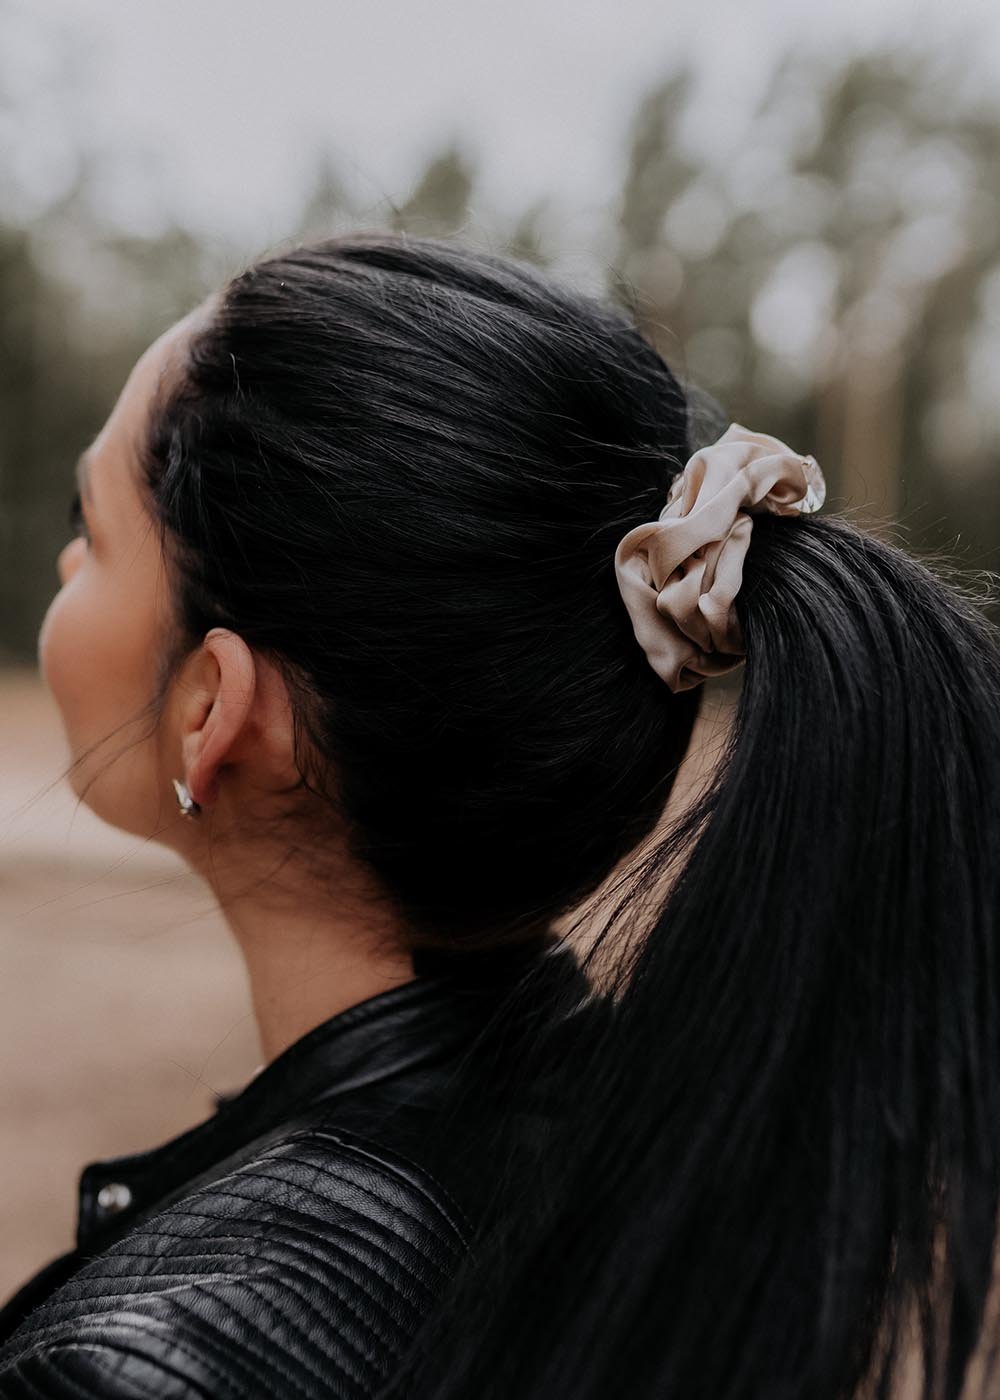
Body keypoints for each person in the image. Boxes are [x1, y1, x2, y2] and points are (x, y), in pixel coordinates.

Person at [1, 232, 998, 1400]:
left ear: (213, 708)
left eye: (96, 530)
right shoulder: (656, 1169)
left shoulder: (135, 1371)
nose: (68, 563)